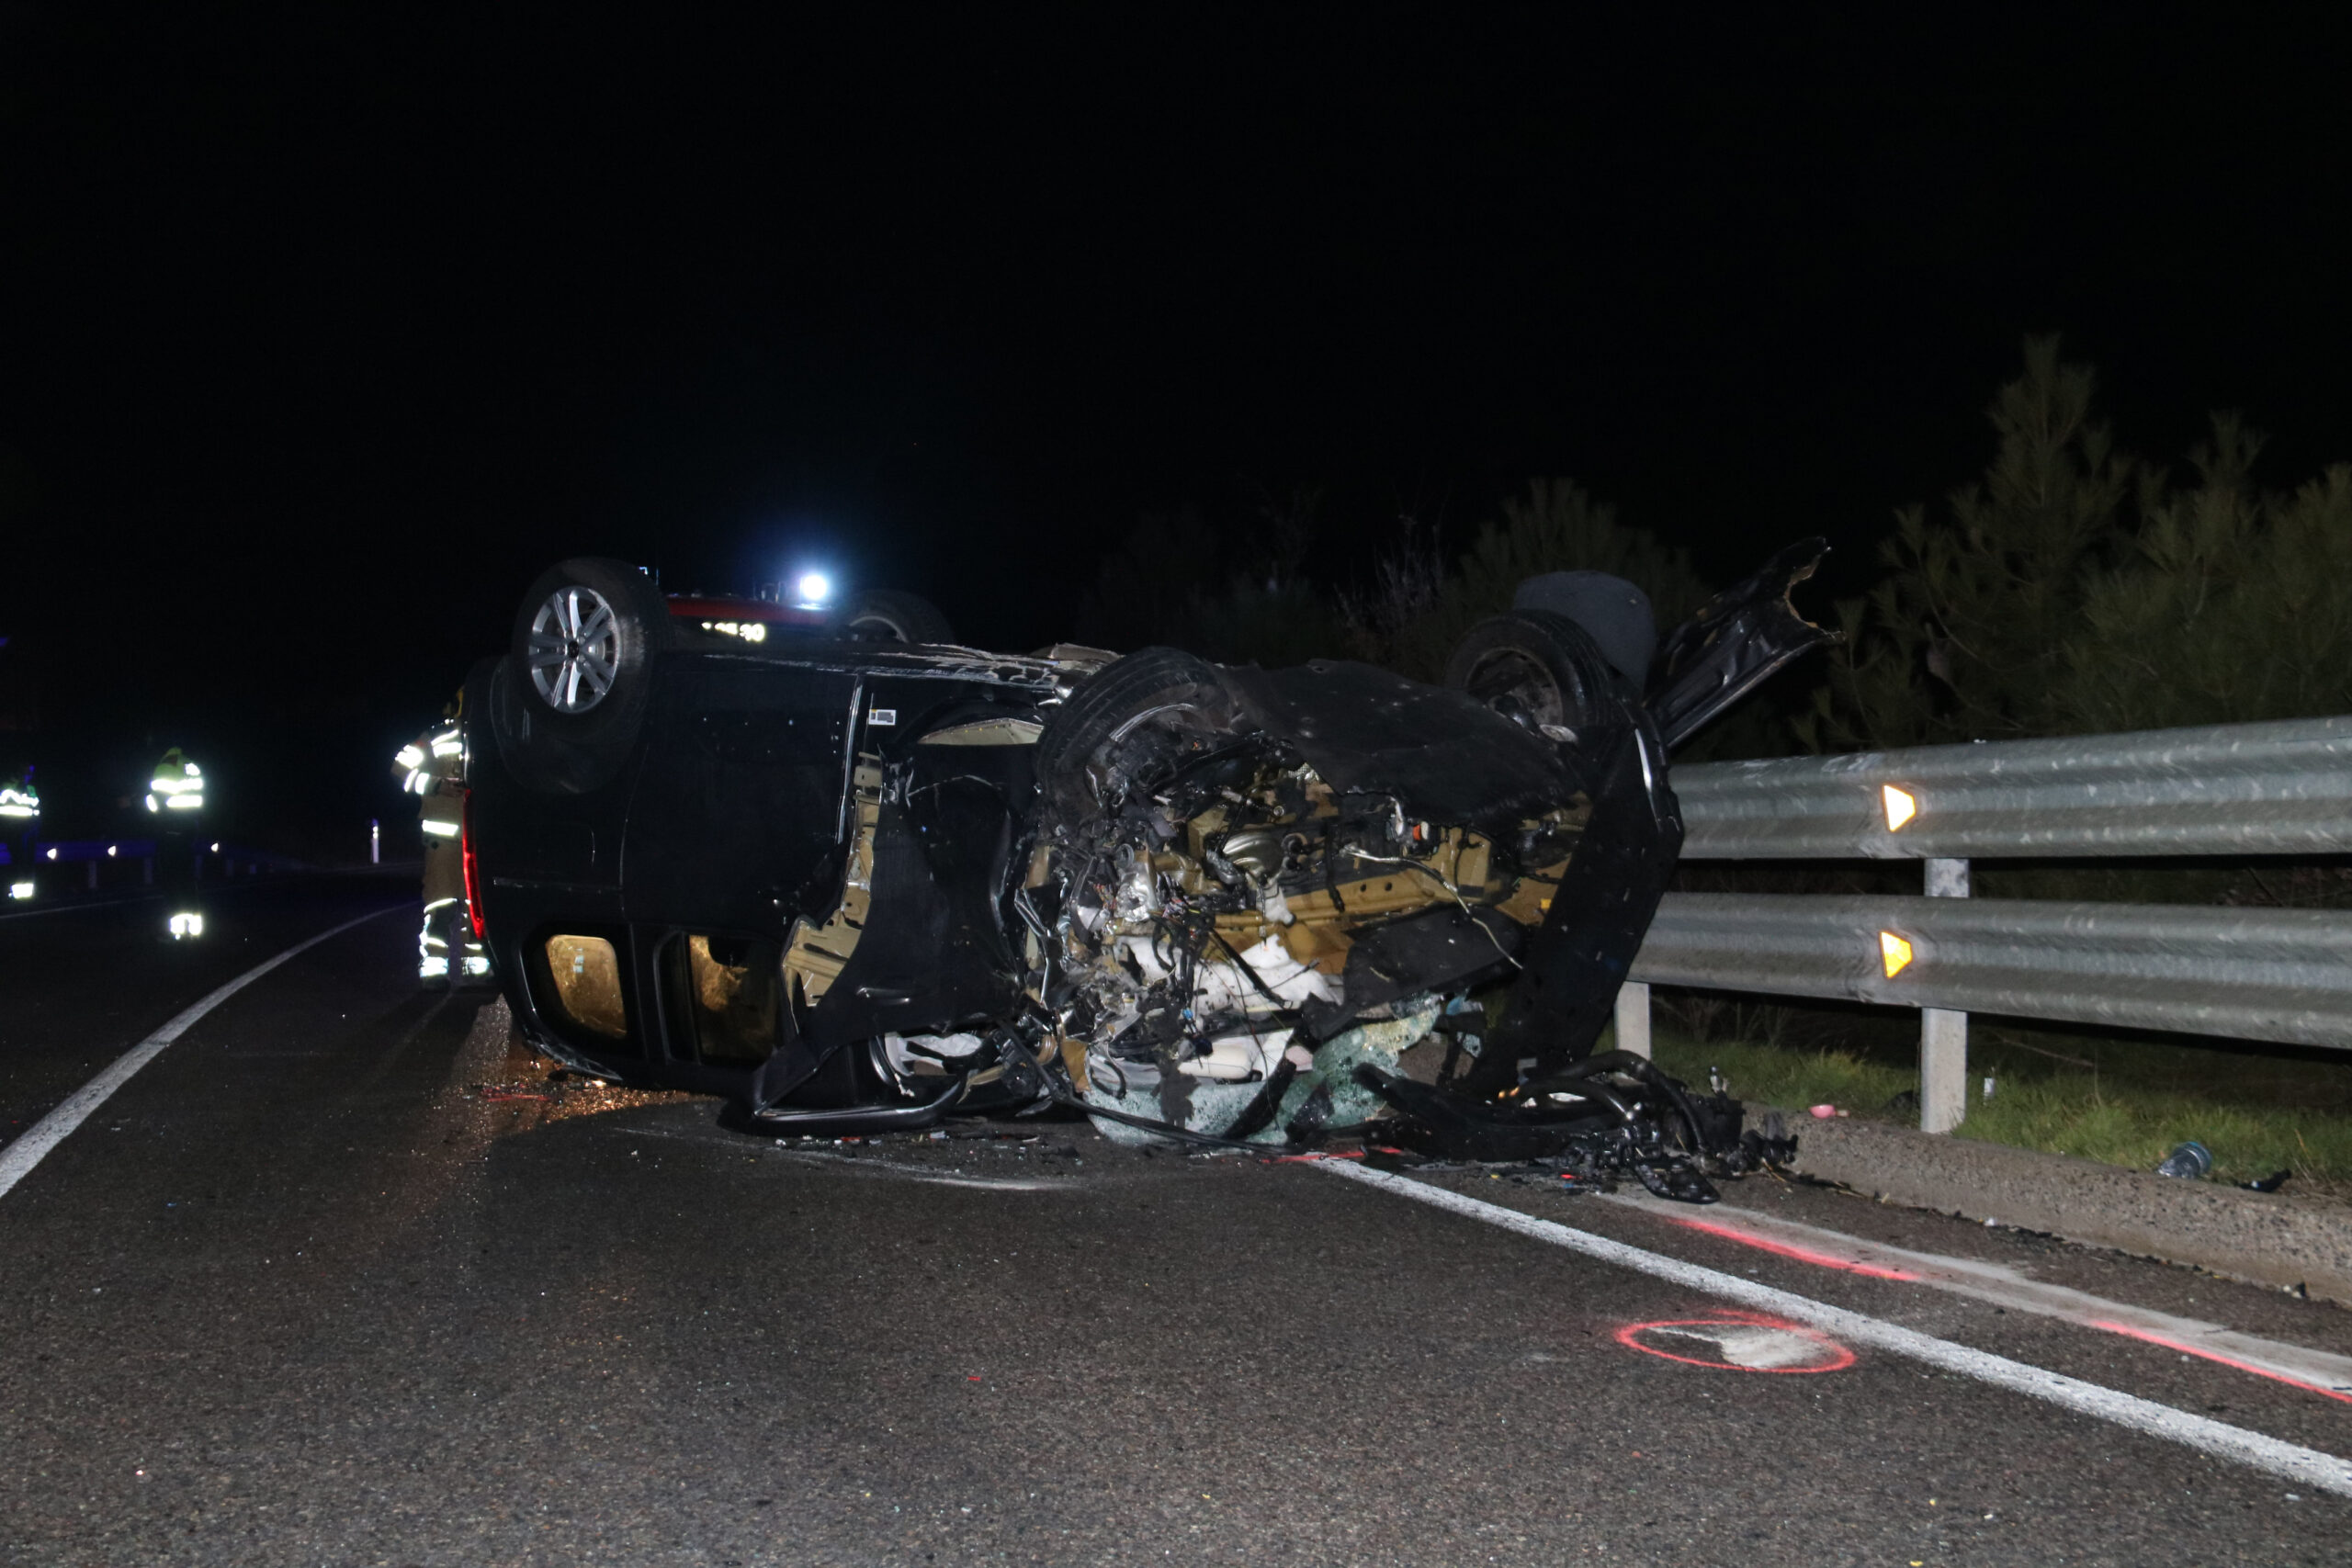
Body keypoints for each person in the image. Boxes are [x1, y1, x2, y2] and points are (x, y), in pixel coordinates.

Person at [394, 700, 483, 985]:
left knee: (477, 907)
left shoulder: (489, 737)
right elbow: (400, 770)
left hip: (477, 841)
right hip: (443, 841)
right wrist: (436, 785)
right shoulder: (434, 737)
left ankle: (477, 966)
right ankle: (434, 966)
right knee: (441, 904)